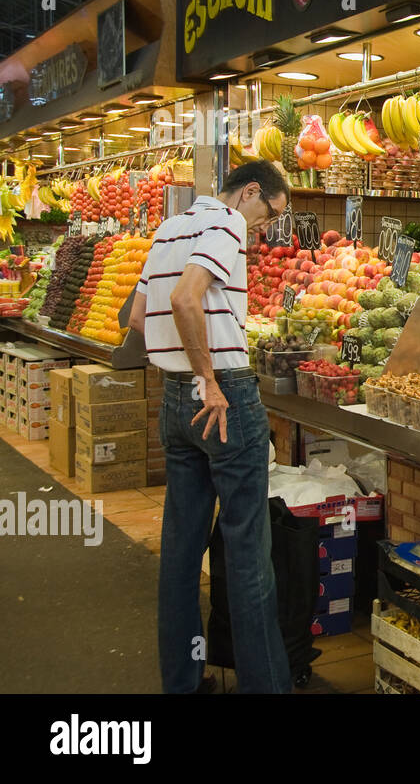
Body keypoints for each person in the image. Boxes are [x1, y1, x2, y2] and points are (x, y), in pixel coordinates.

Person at [128, 160, 292, 694]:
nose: (266, 227)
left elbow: (137, 316)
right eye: (270, 212)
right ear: (250, 193)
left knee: (180, 550)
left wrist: (188, 372)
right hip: (223, 398)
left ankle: (183, 680)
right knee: (248, 553)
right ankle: (265, 687)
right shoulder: (226, 223)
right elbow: (184, 298)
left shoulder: (171, 226)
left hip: (175, 404)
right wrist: (209, 378)